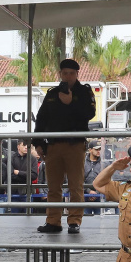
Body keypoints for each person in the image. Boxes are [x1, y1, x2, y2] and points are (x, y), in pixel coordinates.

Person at [34, 58, 96, 234]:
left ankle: (74, 221)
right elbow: (41, 119)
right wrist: (37, 142)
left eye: (71, 73)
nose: (68, 76)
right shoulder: (52, 93)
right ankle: (53, 221)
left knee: (75, 185)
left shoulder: (84, 92)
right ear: (60, 74)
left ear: (77, 74)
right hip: (53, 145)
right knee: (53, 186)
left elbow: (89, 113)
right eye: (65, 73)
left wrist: (71, 103)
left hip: (75, 145)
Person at [83, 140, 107, 216]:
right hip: (85, 196)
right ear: (90, 150)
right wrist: (89, 191)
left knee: (101, 219)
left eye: (100, 149)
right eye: (96, 149)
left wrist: (96, 192)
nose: (98, 151)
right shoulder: (82, 163)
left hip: (100, 196)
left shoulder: (104, 163)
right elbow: (79, 180)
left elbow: (106, 180)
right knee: (85, 220)